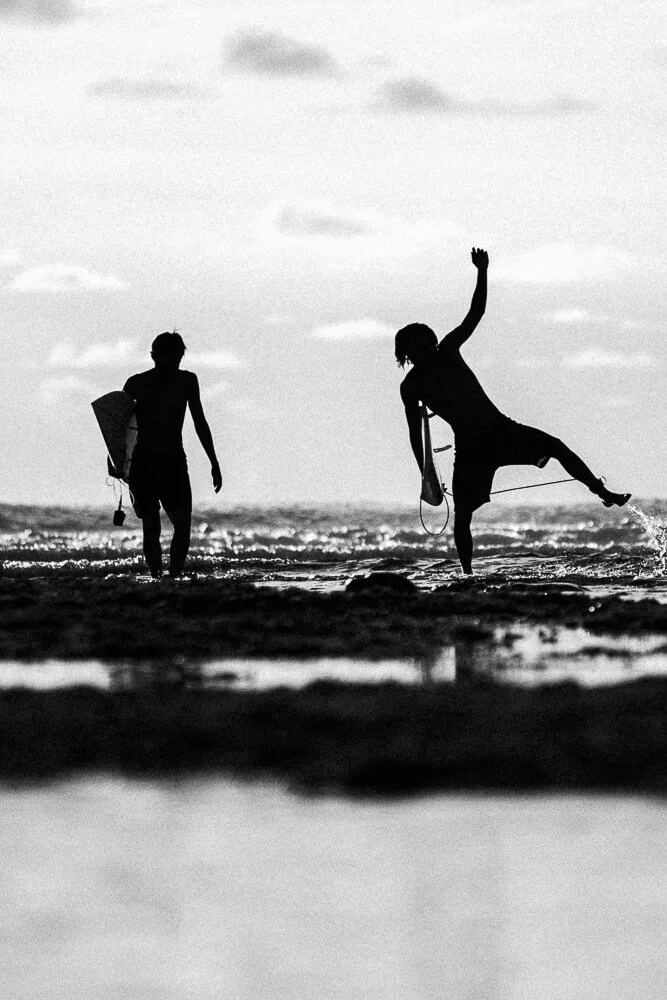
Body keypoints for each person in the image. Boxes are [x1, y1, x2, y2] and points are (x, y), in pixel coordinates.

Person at [396, 249, 631, 575]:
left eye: (428, 343)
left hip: (500, 430)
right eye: (419, 348)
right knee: (463, 515)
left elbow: (475, 313)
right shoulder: (412, 387)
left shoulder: (448, 350)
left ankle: (601, 491)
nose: (427, 349)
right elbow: (414, 432)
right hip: (470, 448)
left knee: (556, 445)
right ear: (408, 353)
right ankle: (468, 576)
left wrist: (482, 271)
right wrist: (426, 474)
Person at [123, 331, 221, 578]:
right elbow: (118, 427)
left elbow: (200, 422)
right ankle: (158, 577)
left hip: (173, 462)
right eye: (168, 357)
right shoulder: (136, 384)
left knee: (183, 525)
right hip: (144, 462)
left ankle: (173, 577)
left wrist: (214, 461)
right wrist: (118, 461)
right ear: (154, 356)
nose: (172, 363)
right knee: (151, 526)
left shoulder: (187, 382)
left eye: (176, 358)